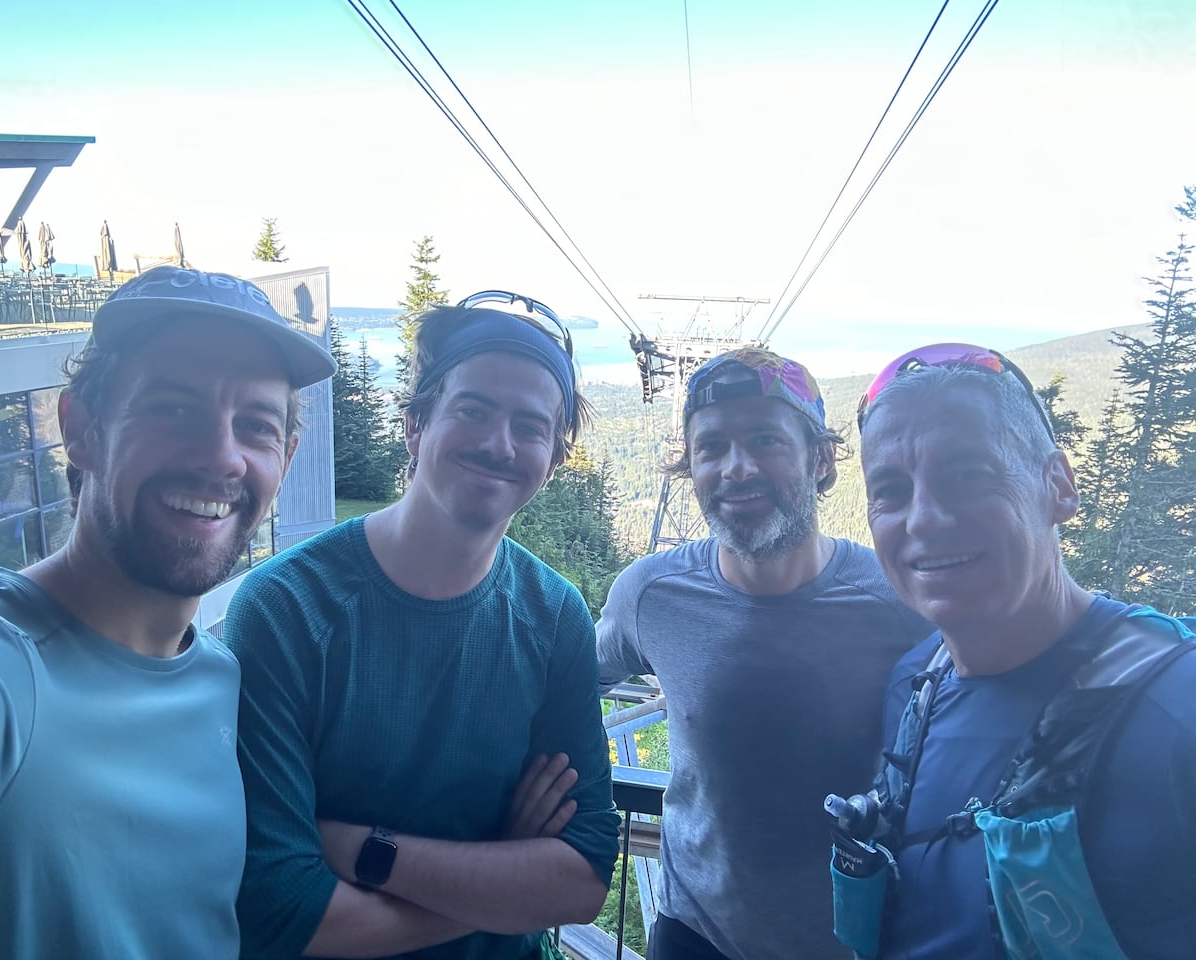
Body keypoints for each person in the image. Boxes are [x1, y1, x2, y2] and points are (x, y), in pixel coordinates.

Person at [0, 266, 336, 959]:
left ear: (284, 460)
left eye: (255, 427)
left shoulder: (220, 679)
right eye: (174, 409)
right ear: (80, 429)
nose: (220, 455)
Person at [227, 291, 620, 960]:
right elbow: (286, 911)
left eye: (530, 426)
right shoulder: (287, 610)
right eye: (473, 410)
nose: (500, 443)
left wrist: (366, 851)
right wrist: (503, 875)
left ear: (553, 459)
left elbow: (582, 876)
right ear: (415, 426)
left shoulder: (553, 615)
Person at [844, 342, 1196, 959]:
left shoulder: (1177, 705)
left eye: (967, 475)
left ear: (1058, 486)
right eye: (891, 491)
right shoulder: (914, 685)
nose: (923, 518)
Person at [596, 347, 932, 960]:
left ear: (822, 460)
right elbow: (571, 684)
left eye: (765, 440)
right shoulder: (651, 595)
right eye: (711, 447)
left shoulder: (898, 599)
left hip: (856, 940)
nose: (736, 467)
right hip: (694, 935)